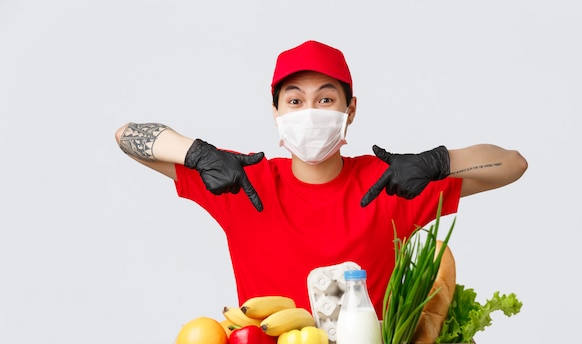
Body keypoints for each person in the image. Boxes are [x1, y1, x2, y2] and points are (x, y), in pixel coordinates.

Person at [115, 40, 527, 318]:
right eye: (294, 100)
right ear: (276, 111)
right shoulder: (241, 181)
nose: (309, 111)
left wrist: (437, 161)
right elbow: (127, 136)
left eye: (326, 99)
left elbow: (512, 164)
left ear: (350, 110)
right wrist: (196, 154)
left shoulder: (391, 183)